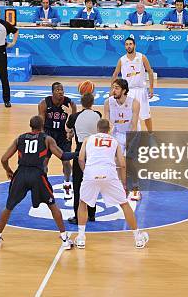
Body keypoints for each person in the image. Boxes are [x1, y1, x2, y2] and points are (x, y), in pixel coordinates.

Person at [0, 115, 76, 250]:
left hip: (21, 175)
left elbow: (3, 159)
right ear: (42, 126)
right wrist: (78, 153)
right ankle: (65, 240)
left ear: (30, 126)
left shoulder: (20, 138)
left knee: (8, 207)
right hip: (37, 176)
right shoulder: (47, 139)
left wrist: (8, 170)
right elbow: (63, 156)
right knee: (53, 206)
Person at [75, 118, 149, 249]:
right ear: (109, 130)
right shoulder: (114, 141)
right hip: (109, 174)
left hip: (91, 173)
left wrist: (86, 171)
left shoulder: (88, 139)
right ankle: (137, 237)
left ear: (97, 129)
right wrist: (124, 184)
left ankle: (81, 237)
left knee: (83, 203)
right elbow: (122, 164)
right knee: (124, 204)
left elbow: (80, 159)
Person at [66, 92, 101, 224]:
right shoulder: (98, 115)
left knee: (78, 185)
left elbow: (68, 128)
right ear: (92, 103)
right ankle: (92, 214)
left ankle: (78, 216)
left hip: (80, 151)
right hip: (94, 152)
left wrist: (70, 115)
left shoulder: (75, 117)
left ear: (81, 103)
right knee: (93, 183)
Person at [38, 82, 77, 200]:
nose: (60, 92)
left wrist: (71, 133)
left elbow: (74, 122)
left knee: (66, 161)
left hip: (63, 135)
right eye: (57, 90)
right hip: (48, 134)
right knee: (44, 161)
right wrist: (42, 137)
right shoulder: (44, 103)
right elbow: (40, 123)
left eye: (62, 90)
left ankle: (67, 185)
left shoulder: (70, 103)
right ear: (52, 92)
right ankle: (43, 186)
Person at [112, 37, 155, 135]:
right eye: (126, 44)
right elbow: (115, 75)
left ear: (134, 45)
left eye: (130, 44)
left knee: (146, 115)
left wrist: (151, 88)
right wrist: (112, 90)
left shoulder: (142, 57)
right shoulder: (122, 60)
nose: (128, 46)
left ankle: (151, 135)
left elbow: (150, 72)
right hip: (128, 92)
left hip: (141, 90)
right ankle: (126, 134)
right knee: (127, 115)